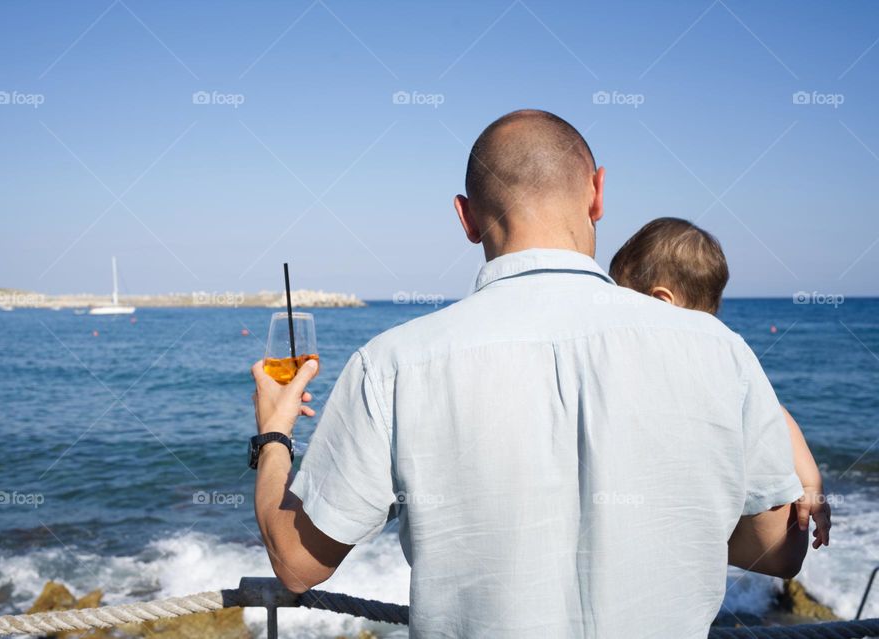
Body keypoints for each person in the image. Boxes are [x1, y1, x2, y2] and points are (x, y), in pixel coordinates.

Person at [250, 110, 808, 638]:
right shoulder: (719, 349)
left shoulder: (393, 363)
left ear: (466, 219)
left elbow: (297, 565)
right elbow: (779, 551)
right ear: (597, 193)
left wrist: (274, 435)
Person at [608, 216, 831, 549]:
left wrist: (812, 483)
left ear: (660, 302)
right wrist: (811, 483)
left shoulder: (677, 355)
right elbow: (774, 411)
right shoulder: (726, 358)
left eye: (621, 299)